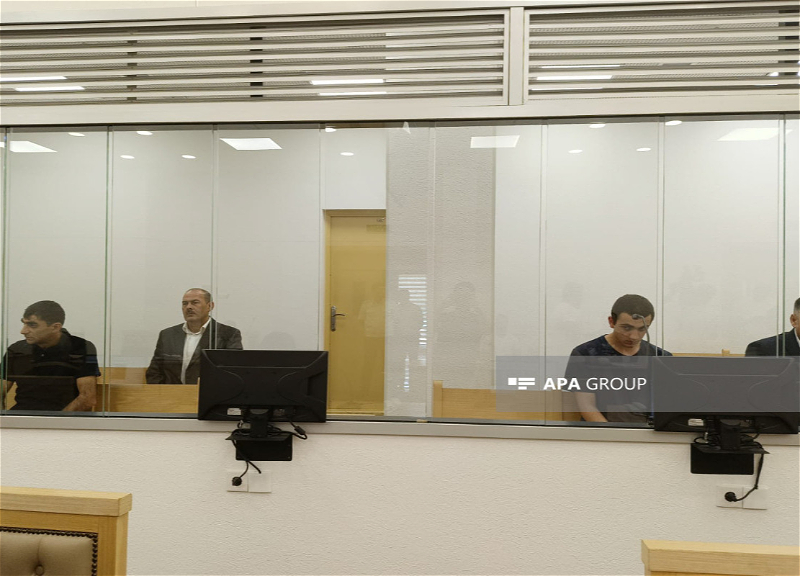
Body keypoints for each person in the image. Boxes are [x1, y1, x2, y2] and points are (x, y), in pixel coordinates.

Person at [567, 294, 671, 423]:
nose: (634, 336)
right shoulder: (585, 354)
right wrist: (612, 433)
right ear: (611, 322)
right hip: (602, 431)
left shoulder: (662, 358)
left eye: (642, 329)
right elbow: (588, 408)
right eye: (627, 328)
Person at [1, 300, 99, 411]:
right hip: (21, 415)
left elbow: (87, 399)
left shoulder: (81, 347)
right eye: (24, 323)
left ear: (55, 327)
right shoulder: (17, 349)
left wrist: (54, 420)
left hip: (63, 416)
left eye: (32, 325)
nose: (23, 331)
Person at [146, 288, 243, 384]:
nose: (189, 307)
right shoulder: (167, 335)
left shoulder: (228, 334)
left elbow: (233, 372)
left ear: (210, 306)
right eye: (185, 303)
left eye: (195, 302)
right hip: (171, 393)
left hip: (208, 393)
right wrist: (165, 392)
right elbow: (154, 372)